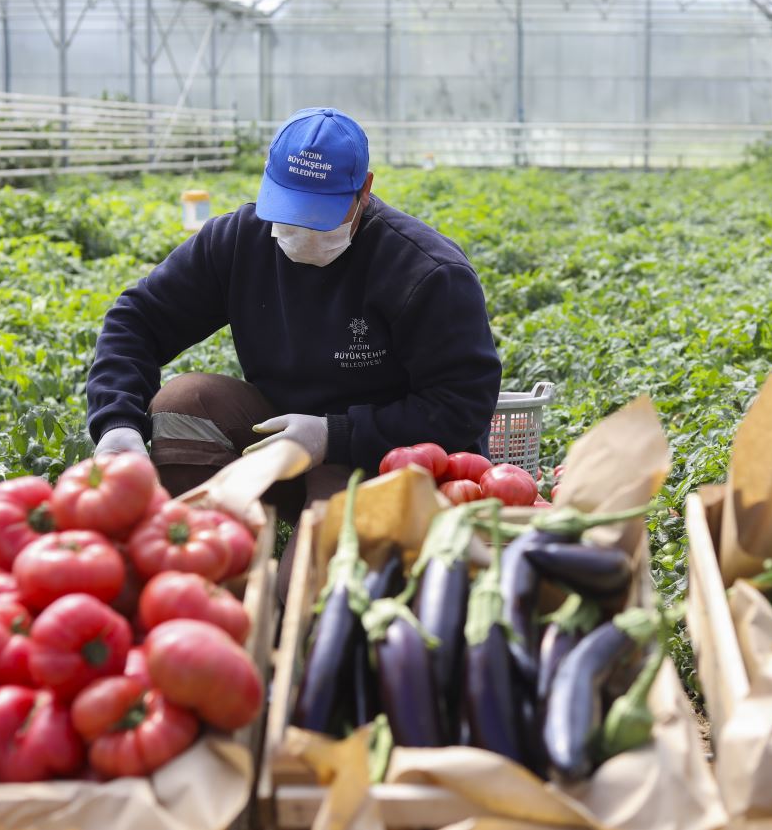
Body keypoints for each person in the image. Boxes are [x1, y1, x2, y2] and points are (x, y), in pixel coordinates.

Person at [85, 106, 502, 598]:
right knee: (186, 401)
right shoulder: (239, 241)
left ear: (362, 192)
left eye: (319, 216)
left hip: (379, 463)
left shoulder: (425, 272)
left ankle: (289, 585)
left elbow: (461, 408)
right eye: (288, 209)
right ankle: (218, 549)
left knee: (304, 592)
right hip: (278, 444)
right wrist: (116, 425)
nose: (299, 230)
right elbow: (139, 317)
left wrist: (335, 435)